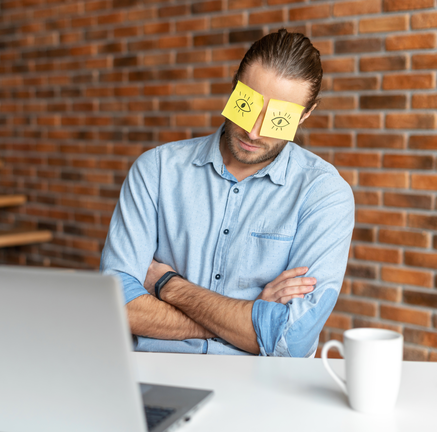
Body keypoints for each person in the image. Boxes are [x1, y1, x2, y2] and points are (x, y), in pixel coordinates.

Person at [100, 29, 355, 357]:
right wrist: (249, 315)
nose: (253, 131)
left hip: (260, 390)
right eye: (247, 105)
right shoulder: (156, 170)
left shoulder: (324, 194)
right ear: (235, 86)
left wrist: (170, 286)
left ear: (305, 114)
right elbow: (118, 307)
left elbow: (290, 340)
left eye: (278, 118)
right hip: (155, 375)